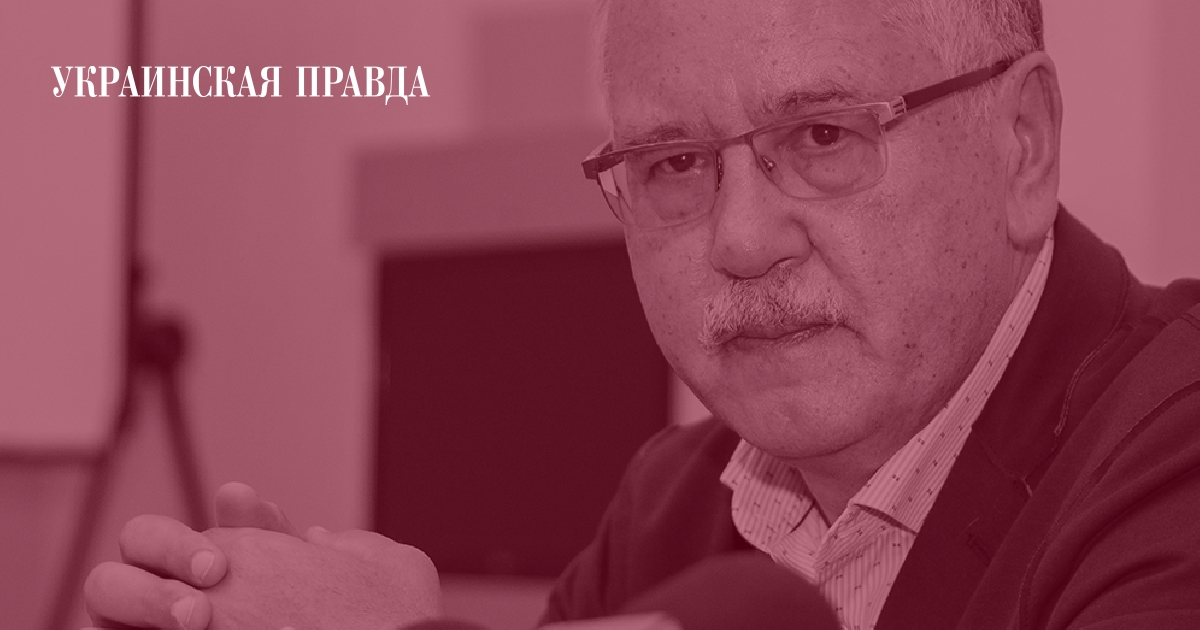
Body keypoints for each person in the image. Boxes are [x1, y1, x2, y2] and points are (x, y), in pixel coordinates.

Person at [84, 0, 1200, 628]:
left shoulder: (1176, 449)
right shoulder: (670, 504)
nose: (740, 239)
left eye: (823, 137)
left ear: (1022, 145)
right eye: (673, 162)